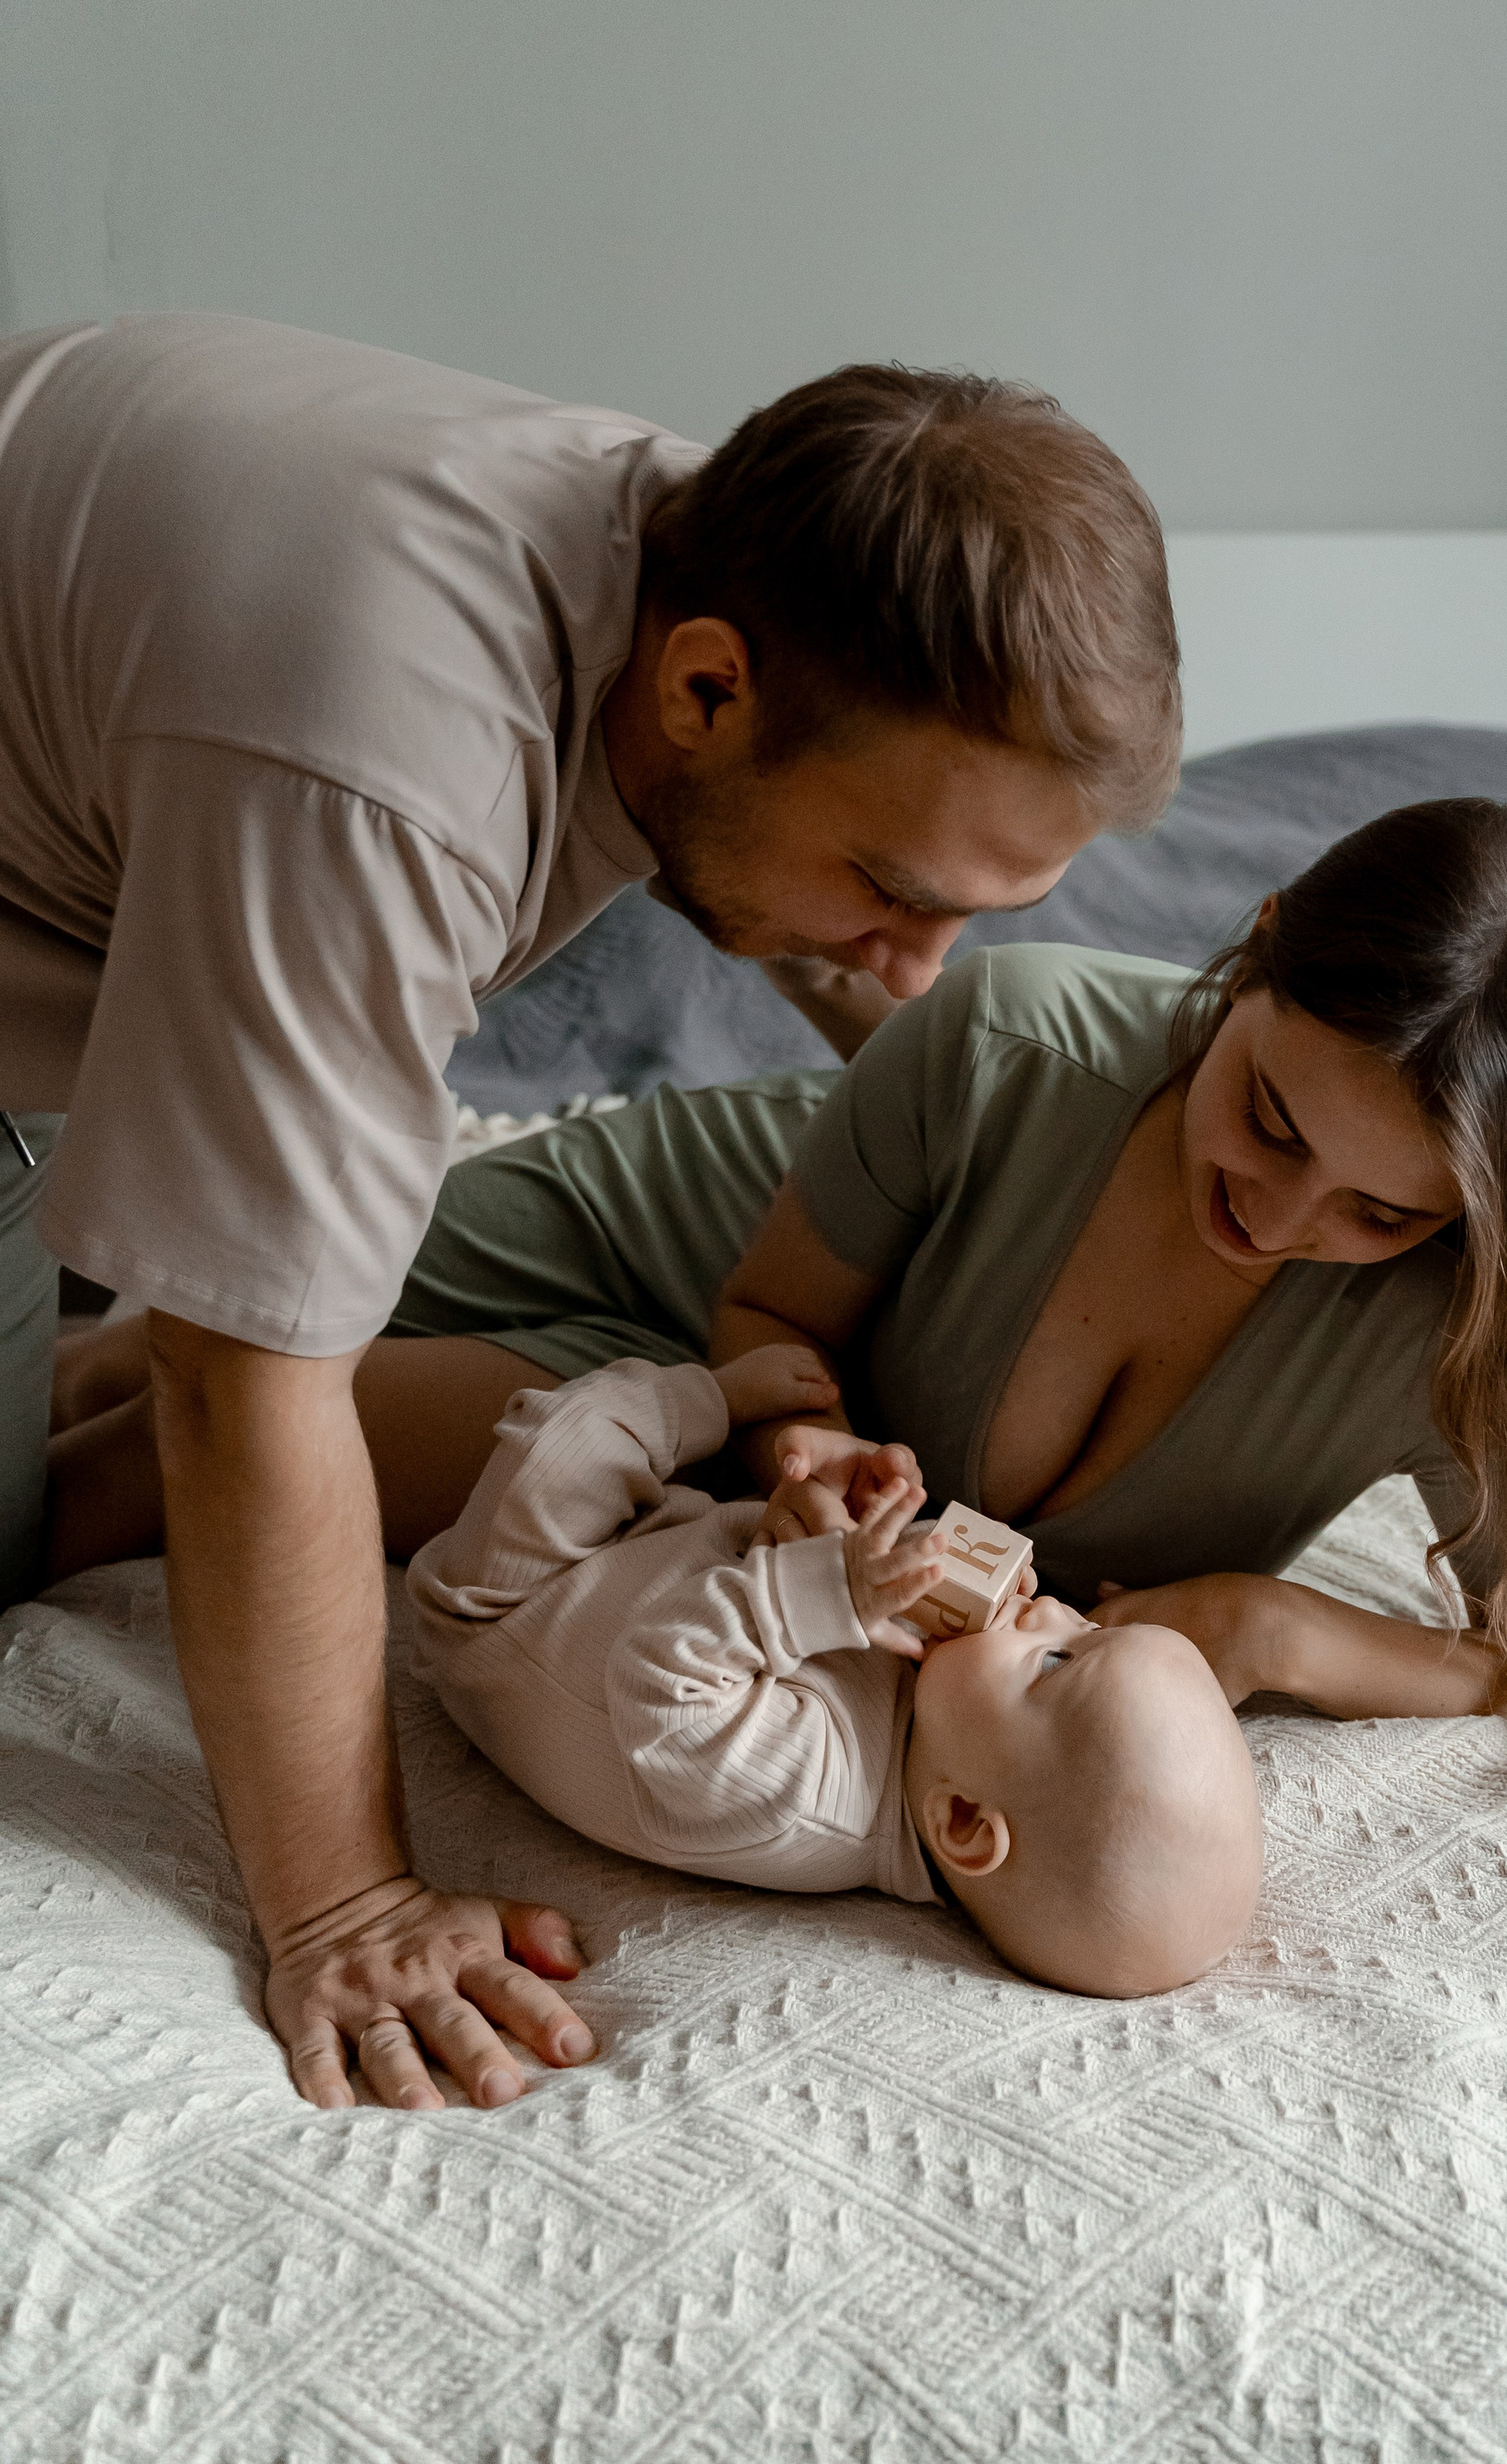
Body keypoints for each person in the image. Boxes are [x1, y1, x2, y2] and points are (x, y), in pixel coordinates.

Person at [1, 312, 1180, 2111]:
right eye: (884, 888)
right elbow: (248, 1390)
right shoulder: (379, 767)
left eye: (972, 918)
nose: (911, 968)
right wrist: (348, 1901)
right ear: (704, 692)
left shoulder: (715, 549)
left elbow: (881, 977)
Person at [57, 800, 1507, 1743]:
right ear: (1251, 947)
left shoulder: (1459, 1321)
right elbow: (764, 1322)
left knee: (146, 1452)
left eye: (1375, 1214)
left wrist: (1275, 1631)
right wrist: (797, 1446)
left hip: (671, 1461)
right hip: (647, 1256)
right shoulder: (1011, 1035)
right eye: (1265, 1119)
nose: (1276, 1217)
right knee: (147, 1379)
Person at [403, 1348, 1263, 2044]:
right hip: (661, 1550)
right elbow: (829, 1602)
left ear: (961, 1820)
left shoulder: (808, 1799)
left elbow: (658, 1679)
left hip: (510, 1610)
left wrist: (827, 1593)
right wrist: (864, 1526)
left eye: (1055, 1661)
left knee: (564, 1436)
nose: (1050, 1609)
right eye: (1091, 1625)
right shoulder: (950, 1718)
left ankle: (704, 1392)